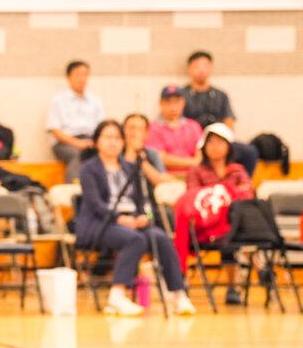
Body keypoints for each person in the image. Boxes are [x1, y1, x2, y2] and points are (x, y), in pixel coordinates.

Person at [75, 120, 195, 317]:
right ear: (97, 142)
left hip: (133, 222)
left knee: (160, 237)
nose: (113, 142)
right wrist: (120, 218)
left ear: (123, 142)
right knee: (135, 239)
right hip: (102, 224)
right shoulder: (89, 169)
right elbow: (95, 204)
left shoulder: (130, 168)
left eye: (117, 137)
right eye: (107, 137)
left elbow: (144, 202)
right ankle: (117, 295)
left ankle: (178, 294)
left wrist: (144, 218)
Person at [173, 123, 255, 305]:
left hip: (231, 224)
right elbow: (193, 196)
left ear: (229, 146)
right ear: (204, 147)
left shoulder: (237, 170)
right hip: (205, 226)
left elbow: (248, 192)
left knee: (233, 233)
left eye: (220, 142)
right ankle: (182, 279)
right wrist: (220, 192)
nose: (215, 146)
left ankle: (233, 287)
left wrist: (224, 192)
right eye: (210, 142)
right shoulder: (197, 171)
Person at [182, 51, 258, 175]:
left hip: (219, 139)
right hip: (194, 142)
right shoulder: (182, 95)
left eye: (205, 66)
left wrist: (220, 142)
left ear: (211, 68)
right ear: (189, 69)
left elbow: (229, 121)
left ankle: (243, 186)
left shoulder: (220, 95)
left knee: (249, 151)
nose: (201, 70)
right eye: (197, 66)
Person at [46, 60, 105, 182]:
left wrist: (94, 142)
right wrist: (77, 143)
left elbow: (102, 128)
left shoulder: (95, 101)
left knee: (108, 154)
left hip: (91, 141)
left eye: (85, 75)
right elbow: (54, 130)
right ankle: (71, 193)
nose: (82, 79)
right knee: (77, 155)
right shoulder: (58, 100)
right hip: (65, 143)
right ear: (68, 78)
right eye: (78, 75)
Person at [144, 85, 202, 176]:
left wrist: (195, 162)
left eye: (177, 102)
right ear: (161, 103)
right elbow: (161, 159)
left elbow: (201, 156)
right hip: (167, 178)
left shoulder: (194, 126)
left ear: (183, 103)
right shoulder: (152, 127)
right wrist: (193, 162)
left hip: (195, 177)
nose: (173, 107)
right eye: (169, 102)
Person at [121, 113, 172, 192]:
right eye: (131, 128)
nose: (135, 133)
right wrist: (130, 151)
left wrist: (141, 160)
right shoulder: (115, 151)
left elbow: (165, 181)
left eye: (140, 129)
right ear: (123, 130)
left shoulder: (152, 153)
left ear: (146, 134)